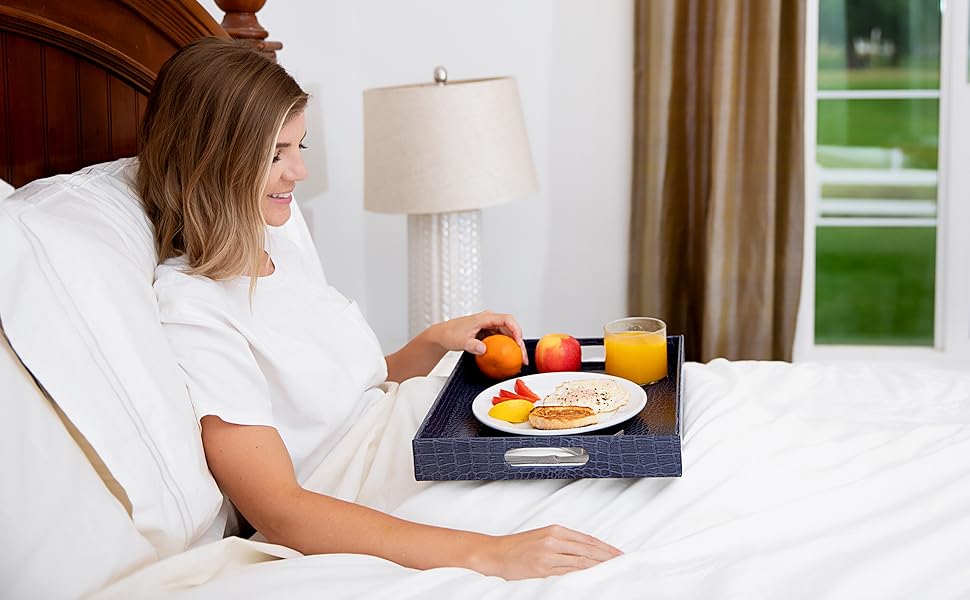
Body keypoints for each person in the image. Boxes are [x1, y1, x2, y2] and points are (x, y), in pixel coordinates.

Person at [139, 37, 621, 580]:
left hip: (424, 438)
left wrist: (433, 340)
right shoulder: (195, 309)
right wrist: (488, 553)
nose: (299, 172)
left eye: (300, 146)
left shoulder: (275, 243)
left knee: (615, 446)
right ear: (211, 159)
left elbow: (348, 395)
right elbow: (280, 509)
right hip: (377, 498)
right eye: (275, 154)